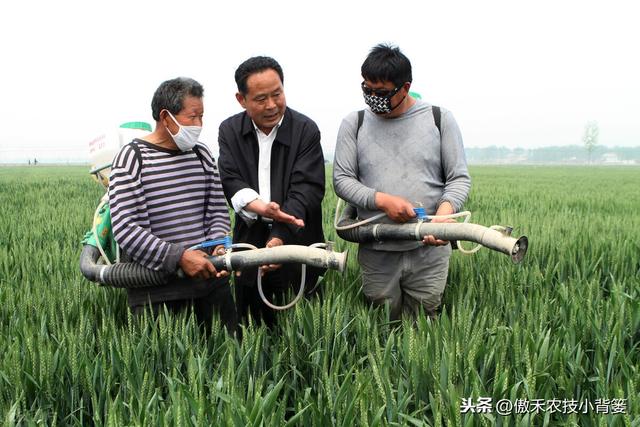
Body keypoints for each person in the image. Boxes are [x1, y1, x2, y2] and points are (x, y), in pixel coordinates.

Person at [333, 44, 471, 321]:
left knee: (425, 321)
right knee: (381, 322)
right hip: (377, 248)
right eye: (367, 90)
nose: (373, 99)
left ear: (405, 88)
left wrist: (442, 220)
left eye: (382, 93)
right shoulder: (354, 123)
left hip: (429, 252)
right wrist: (382, 200)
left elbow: (458, 178)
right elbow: (342, 179)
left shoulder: (439, 119)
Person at [108, 77, 237, 333]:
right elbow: (125, 227)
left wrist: (219, 249)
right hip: (157, 296)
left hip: (210, 287)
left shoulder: (201, 155)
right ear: (166, 117)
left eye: (202, 117)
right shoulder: (133, 158)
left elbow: (217, 211)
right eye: (192, 117)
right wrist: (179, 257)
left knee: (227, 362)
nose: (199, 125)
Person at [218, 56, 325, 327]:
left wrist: (279, 237)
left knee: (302, 327)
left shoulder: (305, 130)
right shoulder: (230, 130)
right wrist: (259, 207)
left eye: (277, 94)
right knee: (250, 327)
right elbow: (230, 179)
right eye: (260, 98)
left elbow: (307, 190)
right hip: (249, 243)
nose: (271, 105)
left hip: (297, 240)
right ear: (241, 100)